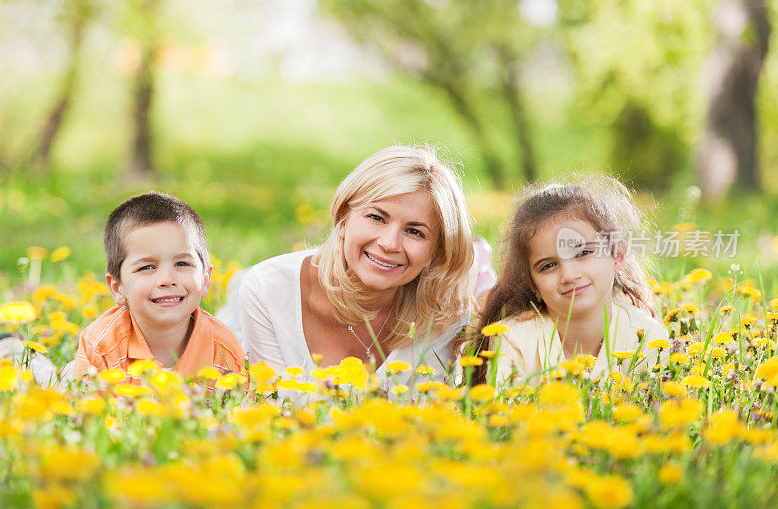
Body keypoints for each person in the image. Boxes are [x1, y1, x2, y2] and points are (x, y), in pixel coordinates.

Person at [226, 145, 474, 388]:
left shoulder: (444, 311)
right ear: (343, 218)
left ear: (436, 250)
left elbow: (426, 415)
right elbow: (271, 406)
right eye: (376, 217)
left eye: (414, 232)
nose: (389, 244)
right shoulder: (268, 289)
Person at [475, 174, 668, 386]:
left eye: (583, 253)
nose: (568, 275)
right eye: (548, 266)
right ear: (533, 285)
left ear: (617, 256)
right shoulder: (513, 340)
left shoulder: (649, 337)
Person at [72, 192, 246, 380]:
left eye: (182, 264)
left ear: (205, 279)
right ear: (117, 288)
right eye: (147, 267)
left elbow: (236, 407)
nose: (167, 279)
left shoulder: (224, 351)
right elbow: (88, 408)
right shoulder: (101, 347)